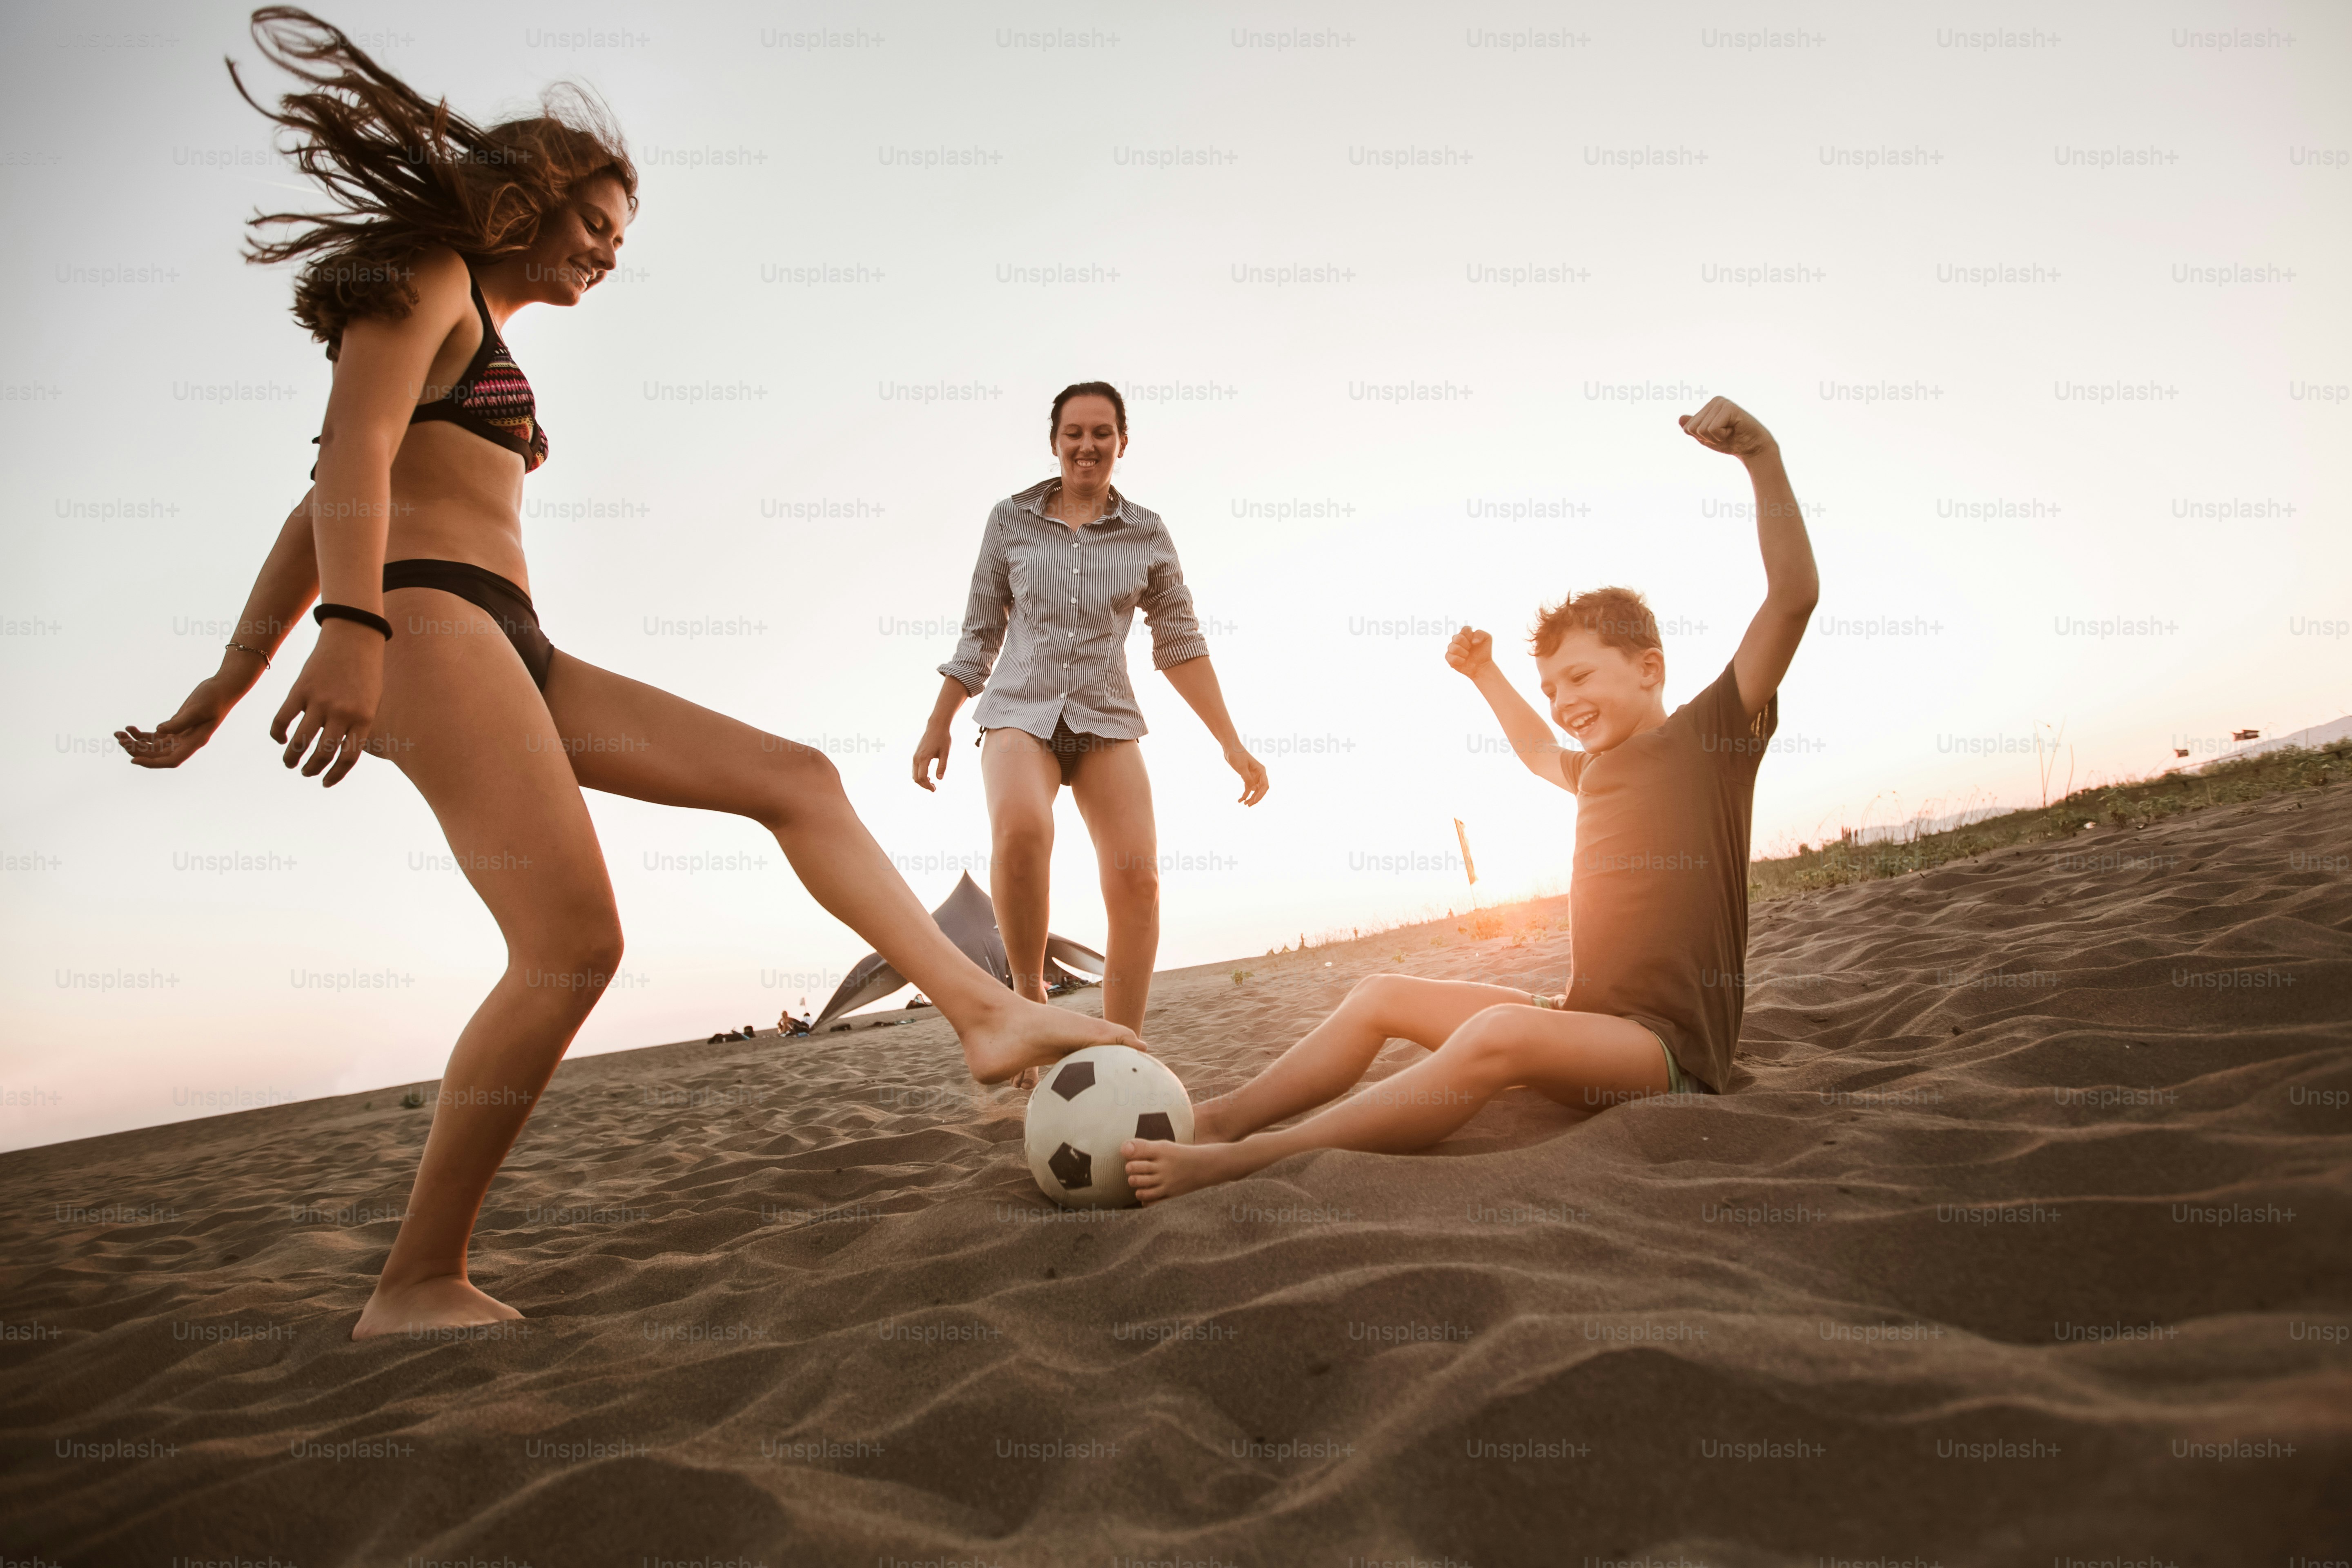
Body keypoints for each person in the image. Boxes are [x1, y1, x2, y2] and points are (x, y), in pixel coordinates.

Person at [113, 8, 1134, 1338]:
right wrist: (343, 636)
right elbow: (346, 469)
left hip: (505, 639)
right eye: (593, 221)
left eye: (620, 236)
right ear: (521, 198)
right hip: (426, 626)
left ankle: (985, 1016)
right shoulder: (425, 276)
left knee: (796, 779)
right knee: (572, 944)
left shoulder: (481, 320)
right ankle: (416, 1282)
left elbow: (317, 511)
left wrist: (234, 673)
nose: (607, 248)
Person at [1123, 397, 1815, 1201]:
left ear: (1650, 668)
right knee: (1380, 995)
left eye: (1581, 677)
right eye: (1552, 686)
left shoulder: (1707, 744)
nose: (1564, 701)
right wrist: (1487, 674)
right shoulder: (1597, 772)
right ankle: (1223, 1122)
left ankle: (1259, 1159)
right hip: (1580, 1025)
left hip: (1665, 1057)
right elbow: (1531, 749)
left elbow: (1793, 598)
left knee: (1499, 1032)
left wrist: (1759, 455)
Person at [912, 383, 1269, 1034]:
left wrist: (1231, 743)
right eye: (1074, 433)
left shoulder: (1148, 532)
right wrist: (940, 721)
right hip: (1021, 712)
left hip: (1108, 721)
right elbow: (979, 633)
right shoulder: (1009, 520)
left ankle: (1123, 1045)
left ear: (1122, 444)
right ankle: (1027, 998)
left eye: (1102, 433)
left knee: (1140, 883)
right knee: (1022, 831)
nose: (1087, 446)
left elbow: (1181, 643)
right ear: (1054, 443)